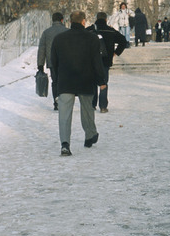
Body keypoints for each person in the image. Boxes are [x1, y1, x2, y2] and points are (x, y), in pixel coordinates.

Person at [50, 11, 106, 156]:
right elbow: (96, 62)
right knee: (87, 109)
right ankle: (89, 136)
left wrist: (56, 81)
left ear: (69, 21)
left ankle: (65, 144)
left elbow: (53, 63)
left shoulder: (59, 39)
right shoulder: (92, 38)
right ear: (83, 22)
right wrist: (101, 81)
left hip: (65, 80)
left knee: (64, 114)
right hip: (85, 80)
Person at [87, 12, 128, 113]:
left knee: (92, 83)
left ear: (96, 19)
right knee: (104, 82)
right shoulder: (110, 30)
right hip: (105, 61)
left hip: (91, 61)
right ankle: (103, 106)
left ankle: (92, 104)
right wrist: (115, 52)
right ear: (106, 19)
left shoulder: (90, 30)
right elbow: (123, 41)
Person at [37, 12, 68, 110]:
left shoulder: (46, 32)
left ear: (52, 20)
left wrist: (40, 64)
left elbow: (42, 49)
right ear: (62, 20)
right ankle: (64, 101)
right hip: (66, 61)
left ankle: (56, 102)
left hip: (52, 62)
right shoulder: (67, 31)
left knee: (55, 81)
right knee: (64, 81)